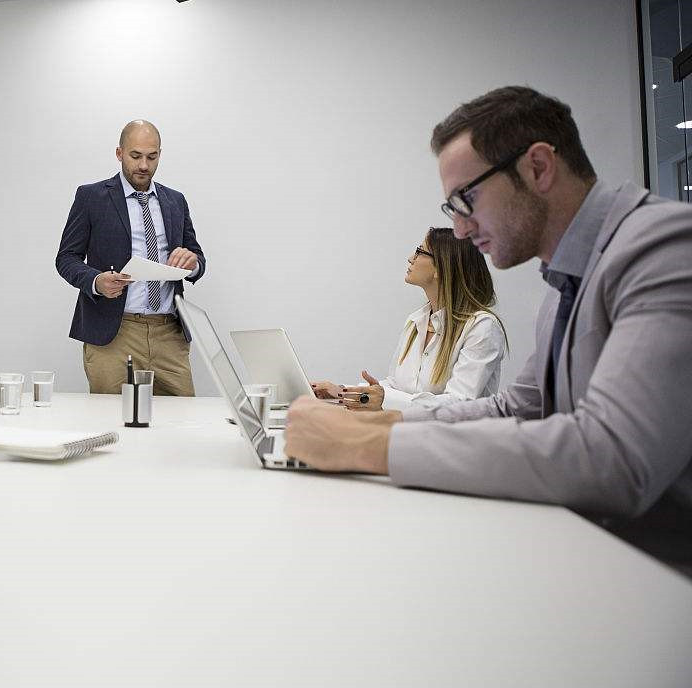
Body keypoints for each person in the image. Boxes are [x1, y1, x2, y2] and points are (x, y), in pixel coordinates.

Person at [283, 86, 692, 567]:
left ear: (538, 167)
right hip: (598, 550)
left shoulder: (667, 249)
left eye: (466, 199)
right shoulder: (570, 276)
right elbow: (516, 408)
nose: (458, 229)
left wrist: (371, 443)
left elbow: (612, 459)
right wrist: (379, 419)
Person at [56, 120, 206, 396]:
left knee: (183, 421)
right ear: (119, 153)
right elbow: (66, 258)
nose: (143, 166)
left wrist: (193, 262)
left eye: (152, 157)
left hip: (169, 333)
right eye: (135, 156)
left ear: (160, 154)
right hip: (114, 333)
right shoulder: (92, 197)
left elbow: (197, 257)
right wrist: (96, 281)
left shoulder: (175, 200)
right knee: (110, 423)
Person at [312, 227, 508, 413]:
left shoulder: (482, 327)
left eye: (420, 251)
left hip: (455, 444)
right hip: (412, 437)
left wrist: (384, 399)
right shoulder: (416, 321)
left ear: (441, 267)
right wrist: (341, 391)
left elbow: (459, 404)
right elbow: (397, 387)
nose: (410, 258)